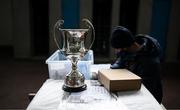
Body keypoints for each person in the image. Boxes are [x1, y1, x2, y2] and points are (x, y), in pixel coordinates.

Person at [110, 26, 163, 103]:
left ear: (125, 47)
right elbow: (117, 66)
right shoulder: (127, 52)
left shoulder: (150, 61)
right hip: (132, 91)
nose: (116, 52)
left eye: (117, 49)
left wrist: (120, 86)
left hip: (150, 98)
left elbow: (145, 89)